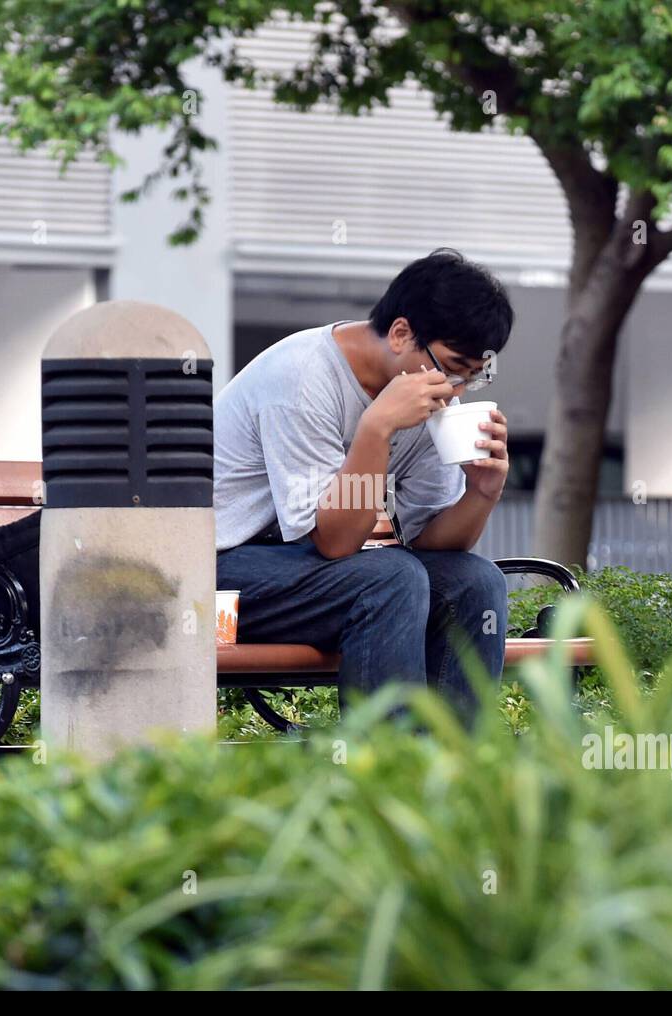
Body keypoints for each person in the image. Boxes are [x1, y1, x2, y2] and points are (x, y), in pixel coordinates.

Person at [214, 248, 515, 717]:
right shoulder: (302, 379)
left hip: (310, 573)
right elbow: (336, 543)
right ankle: (383, 775)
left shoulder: (428, 401)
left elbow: (428, 542)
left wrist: (482, 492)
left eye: (471, 379)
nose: (454, 390)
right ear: (401, 334)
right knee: (389, 578)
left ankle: (456, 776)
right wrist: (376, 430)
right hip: (213, 585)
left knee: (474, 582)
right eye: (451, 367)